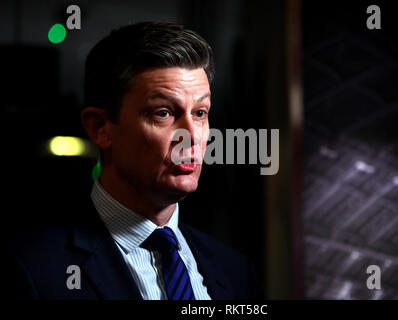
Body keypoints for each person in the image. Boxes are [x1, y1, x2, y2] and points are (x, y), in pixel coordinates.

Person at [8, 22, 262, 300]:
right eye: (163, 113)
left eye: (200, 113)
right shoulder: (31, 268)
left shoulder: (235, 271)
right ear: (99, 128)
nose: (192, 137)